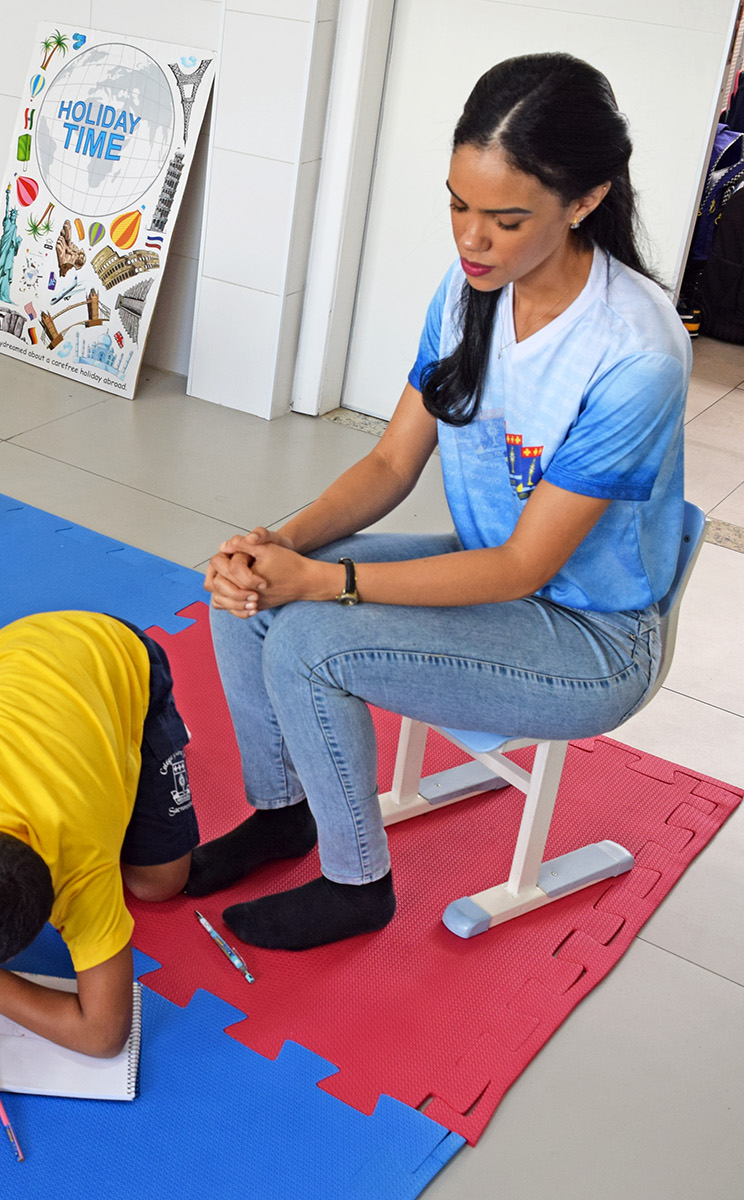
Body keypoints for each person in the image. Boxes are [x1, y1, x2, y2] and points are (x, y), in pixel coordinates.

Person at [193, 53, 688, 951]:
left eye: (506, 219)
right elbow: (392, 462)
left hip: (591, 638)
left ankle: (357, 886)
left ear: (585, 201)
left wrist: (323, 583)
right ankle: (283, 813)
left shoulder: (635, 352)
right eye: (458, 205)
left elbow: (523, 566)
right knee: (256, 596)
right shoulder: (470, 292)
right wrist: (279, 544)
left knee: (307, 638)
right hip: (491, 578)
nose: (472, 239)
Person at [0, 612, 197, 1058]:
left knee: (160, 884)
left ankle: (146, 730)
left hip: (114, 649)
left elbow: (104, 1036)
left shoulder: (83, 871)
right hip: (2, 654)